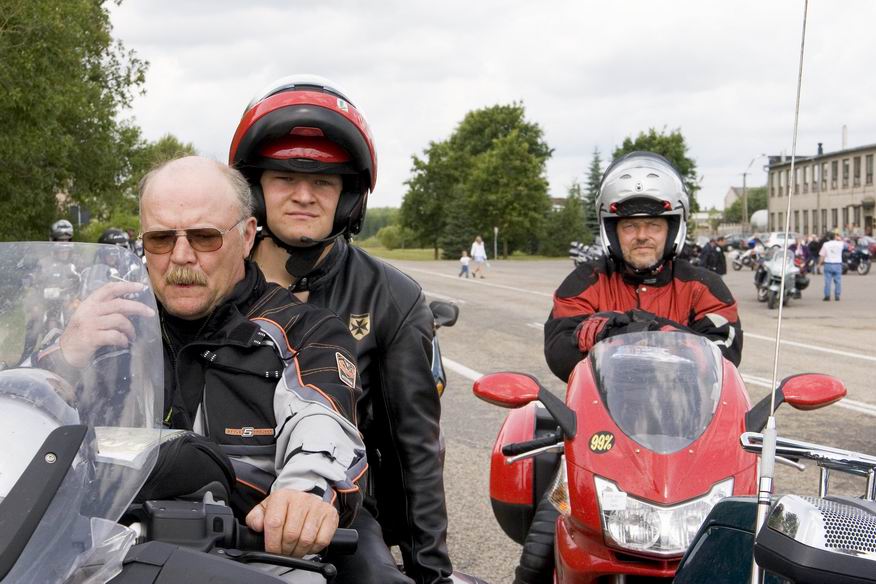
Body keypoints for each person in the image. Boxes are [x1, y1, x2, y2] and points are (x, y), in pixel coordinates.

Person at [39, 157, 367, 576]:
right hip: (101, 554)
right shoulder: (107, 324)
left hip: (249, 558)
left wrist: (304, 495)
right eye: (161, 239)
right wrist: (65, 356)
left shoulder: (305, 331)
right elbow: (20, 414)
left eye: (204, 237)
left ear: (246, 237)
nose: (180, 256)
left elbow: (322, 421)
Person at [229, 76, 451, 584]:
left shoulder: (391, 298)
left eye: (324, 182)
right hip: (220, 493)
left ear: (349, 196)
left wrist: (429, 573)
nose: (304, 195)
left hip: (339, 506)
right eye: (284, 178)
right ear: (255, 189)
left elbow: (413, 452)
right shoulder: (214, 279)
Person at [511, 152, 742, 584]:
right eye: (630, 226)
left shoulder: (703, 285)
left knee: (744, 534)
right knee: (548, 533)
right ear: (611, 230)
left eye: (653, 225)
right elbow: (559, 347)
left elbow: (725, 351)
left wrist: (638, 327)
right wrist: (609, 333)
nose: (642, 236)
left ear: (673, 227)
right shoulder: (585, 281)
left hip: (692, 434)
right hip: (603, 436)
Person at [819, 231, 844, 301]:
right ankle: (837, 296)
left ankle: (827, 296)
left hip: (828, 264)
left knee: (827, 281)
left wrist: (819, 264)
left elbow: (822, 255)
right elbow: (847, 246)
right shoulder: (840, 244)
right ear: (835, 237)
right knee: (838, 281)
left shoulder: (826, 244)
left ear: (828, 238)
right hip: (837, 264)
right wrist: (840, 239)